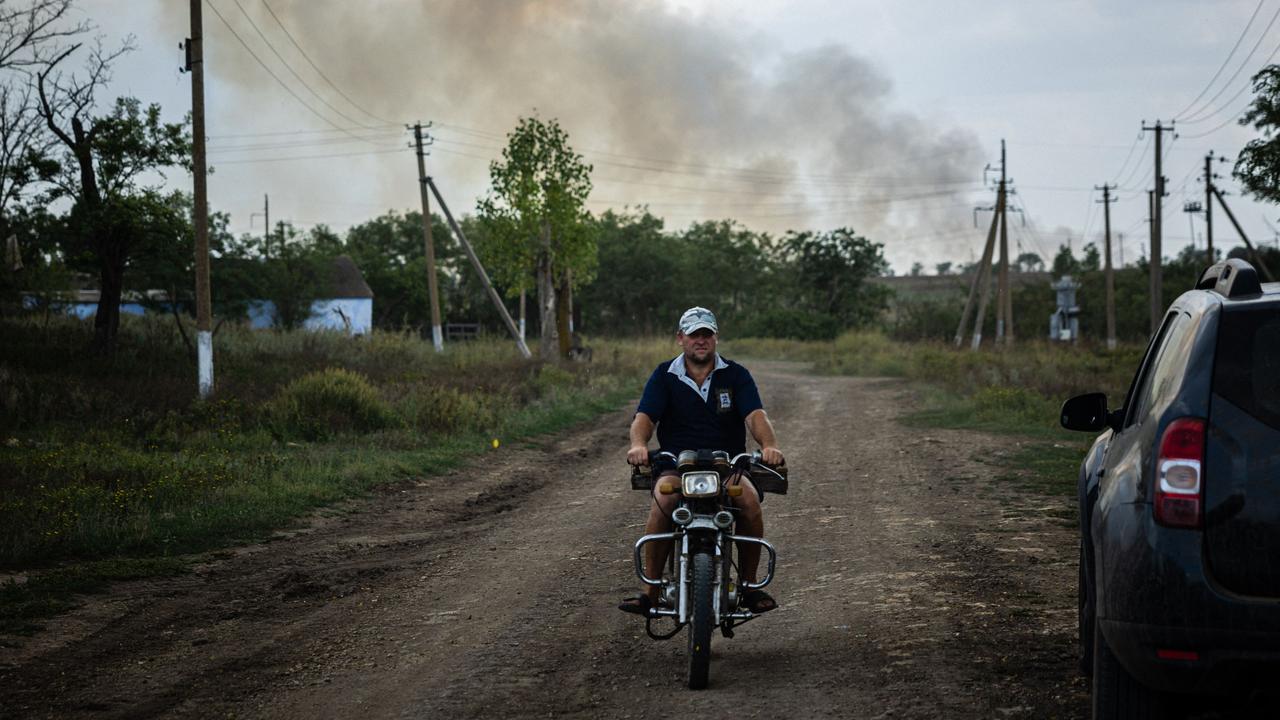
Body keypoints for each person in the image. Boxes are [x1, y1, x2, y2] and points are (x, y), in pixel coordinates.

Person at [619, 306, 784, 616]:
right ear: (681, 338)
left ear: (715, 338)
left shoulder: (736, 375)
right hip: (675, 464)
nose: (701, 340)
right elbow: (645, 417)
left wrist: (770, 445)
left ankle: (748, 587)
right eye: (694, 335)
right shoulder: (664, 375)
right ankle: (650, 591)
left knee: (748, 501)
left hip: (728, 465)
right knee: (663, 503)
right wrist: (638, 444)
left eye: (706, 334)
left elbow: (755, 415)